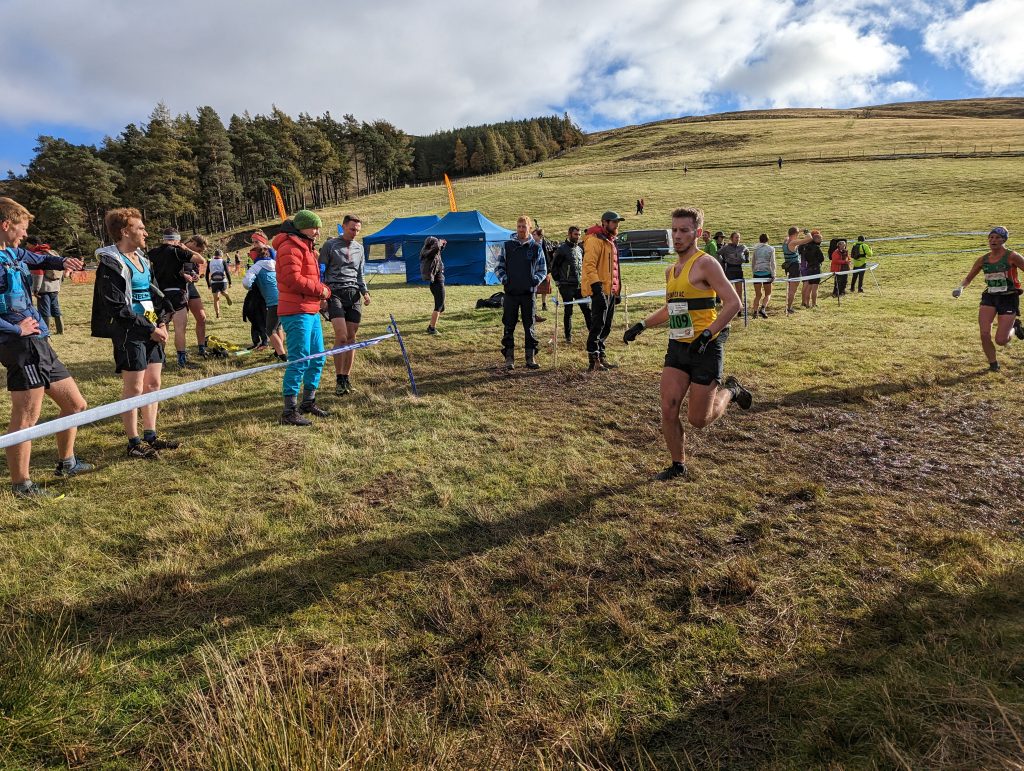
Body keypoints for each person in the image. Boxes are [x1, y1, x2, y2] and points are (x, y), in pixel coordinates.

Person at [622, 206, 751, 480]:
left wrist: (707, 335)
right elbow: (671, 309)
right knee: (668, 408)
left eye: (684, 230)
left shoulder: (706, 263)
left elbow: (733, 303)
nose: (677, 236)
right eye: (674, 230)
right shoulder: (671, 271)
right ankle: (677, 464)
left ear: (697, 233)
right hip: (679, 346)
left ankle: (730, 390)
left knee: (698, 420)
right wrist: (641, 325)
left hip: (705, 348)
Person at [0, 198, 91, 497]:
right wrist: (16, 328)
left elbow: (38, 260)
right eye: (22, 228)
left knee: (75, 405)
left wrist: (61, 261)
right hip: (19, 344)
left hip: (39, 341)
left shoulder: (13, 253)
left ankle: (67, 462)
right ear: (5, 225)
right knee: (26, 417)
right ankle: (21, 485)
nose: (25, 234)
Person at [92, 207, 179, 459]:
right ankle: (133, 442)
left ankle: (151, 435)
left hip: (152, 327)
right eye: (140, 228)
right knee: (135, 388)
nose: (146, 232)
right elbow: (116, 306)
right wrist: (149, 328)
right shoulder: (110, 263)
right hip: (130, 331)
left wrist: (161, 323)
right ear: (124, 231)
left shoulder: (144, 260)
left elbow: (154, 294)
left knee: (153, 384)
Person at [275, 209, 331, 424]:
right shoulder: (289, 247)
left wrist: (320, 295)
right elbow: (293, 279)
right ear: (302, 228)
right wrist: (321, 290)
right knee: (299, 360)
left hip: (310, 309)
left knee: (317, 357)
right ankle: (289, 412)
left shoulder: (306, 247)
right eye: (314, 227)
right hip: (296, 310)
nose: (317, 232)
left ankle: (308, 402)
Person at [952, 226, 1024, 372]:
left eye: (997, 237)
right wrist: (960, 288)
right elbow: (968, 278)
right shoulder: (983, 260)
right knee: (984, 333)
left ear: (1004, 239)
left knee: (1001, 340)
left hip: (1008, 298)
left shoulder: (1012, 256)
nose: (993, 240)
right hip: (990, 297)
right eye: (991, 237)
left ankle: (1015, 328)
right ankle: (993, 364)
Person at [318, 214, 370, 396]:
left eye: (357, 230)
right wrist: (321, 297)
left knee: (351, 338)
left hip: (354, 294)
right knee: (341, 336)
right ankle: (338, 379)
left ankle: (346, 378)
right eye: (352, 229)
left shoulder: (360, 248)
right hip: (334, 293)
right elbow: (321, 273)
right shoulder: (330, 245)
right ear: (343, 227)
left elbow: (360, 273)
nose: (355, 233)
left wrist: (365, 292)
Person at [147, 229, 207, 368]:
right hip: (177, 293)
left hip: (160, 294)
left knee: (163, 326)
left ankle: (161, 360)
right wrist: (184, 248)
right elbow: (201, 260)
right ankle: (181, 360)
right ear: (176, 239)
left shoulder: (153, 252)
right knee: (180, 329)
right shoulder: (177, 251)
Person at [495, 215, 547, 370]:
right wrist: (505, 279)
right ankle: (509, 358)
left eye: (524, 226)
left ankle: (530, 358)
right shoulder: (508, 246)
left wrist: (535, 280)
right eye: (519, 226)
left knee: (529, 326)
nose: (521, 229)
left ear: (529, 228)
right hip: (511, 293)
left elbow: (543, 269)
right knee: (509, 325)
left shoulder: (536, 248)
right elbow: (498, 267)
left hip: (528, 293)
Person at [581, 211, 625, 371]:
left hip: (610, 290)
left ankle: (601, 355)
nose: (617, 225)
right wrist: (596, 289)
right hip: (599, 289)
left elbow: (615, 268)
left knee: (606, 326)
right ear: (604, 223)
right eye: (614, 222)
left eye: (617, 222)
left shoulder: (610, 241)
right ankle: (593, 360)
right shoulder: (595, 240)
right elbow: (589, 266)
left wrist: (616, 290)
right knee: (598, 325)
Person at [241, 242, 287, 361]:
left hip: (273, 302)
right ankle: (278, 352)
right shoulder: (276, 263)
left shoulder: (256, 266)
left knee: (270, 329)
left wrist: (251, 287)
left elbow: (246, 282)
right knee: (278, 327)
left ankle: (283, 357)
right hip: (284, 298)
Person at [548, 225, 591, 344]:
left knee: (587, 310)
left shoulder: (580, 249)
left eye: (579, 235)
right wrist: (558, 282)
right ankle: (568, 337)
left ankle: (593, 334)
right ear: (569, 234)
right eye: (575, 234)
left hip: (579, 285)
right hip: (566, 285)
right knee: (569, 311)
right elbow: (554, 266)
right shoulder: (561, 249)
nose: (578, 237)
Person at [419, 236, 446, 335]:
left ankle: (433, 322)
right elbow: (435, 249)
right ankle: (432, 328)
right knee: (438, 306)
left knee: (442, 307)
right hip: (437, 284)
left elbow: (437, 250)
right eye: (435, 243)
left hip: (437, 284)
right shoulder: (428, 253)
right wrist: (439, 243)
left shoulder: (432, 253)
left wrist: (442, 245)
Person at [782, 227, 812, 314]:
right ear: (796, 234)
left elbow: (792, 234)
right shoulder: (793, 242)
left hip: (789, 266)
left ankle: (788, 306)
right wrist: (807, 232)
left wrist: (799, 231)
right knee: (793, 290)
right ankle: (789, 308)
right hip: (795, 267)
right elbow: (809, 239)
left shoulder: (786, 240)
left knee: (790, 288)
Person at [750, 233, 775, 318]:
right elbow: (772, 262)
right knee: (768, 293)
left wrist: (754, 272)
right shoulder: (771, 249)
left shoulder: (756, 249)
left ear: (759, 240)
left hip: (757, 273)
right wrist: (773, 274)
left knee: (758, 294)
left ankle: (755, 312)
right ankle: (763, 308)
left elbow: (753, 261)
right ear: (768, 240)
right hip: (767, 272)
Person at [799, 230, 825, 308]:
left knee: (808, 286)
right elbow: (822, 258)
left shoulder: (805, 247)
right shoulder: (817, 247)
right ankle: (814, 304)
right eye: (821, 239)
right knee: (815, 288)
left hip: (809, 267)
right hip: (816, 268)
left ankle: (806, 303)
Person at [532, 226, 554, 316]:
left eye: (534, 234)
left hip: (544, 269)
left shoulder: (545, 243)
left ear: (539, 236)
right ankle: (534, 306)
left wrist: (548, 268)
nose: (532, 236)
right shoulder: (531, 244)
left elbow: (549, 256)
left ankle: (544, 304)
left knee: (544, 288)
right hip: (534, 270)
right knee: (535, 289)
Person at [205, 248, 232, 318]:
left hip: (214, 282)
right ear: (221, 255)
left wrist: (208, 284)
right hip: (223, 281)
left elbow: (207, 274)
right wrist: (230, 283)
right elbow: (227, 272)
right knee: (223, 292)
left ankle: (217, 315)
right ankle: (227, 296)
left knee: (216, 299)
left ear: (215, 255)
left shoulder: (210, 262)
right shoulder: (223, 261)